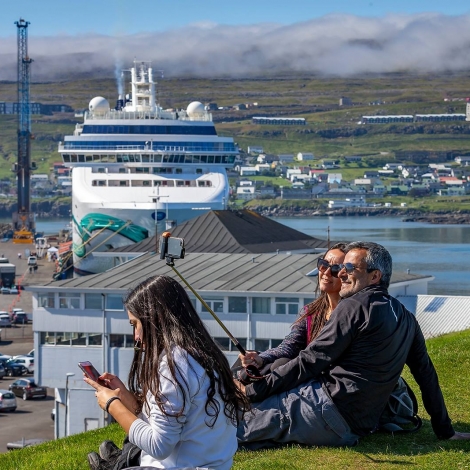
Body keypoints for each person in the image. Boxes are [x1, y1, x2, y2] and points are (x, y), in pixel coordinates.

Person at [236, 241, 470, 450]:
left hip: (325, 411)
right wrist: (445, 430)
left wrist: (254, 390)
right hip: (355, 426)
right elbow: (426, 375)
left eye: (349, 269)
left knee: (233, 424)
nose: (342, 274)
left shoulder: (354, 307)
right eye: (342, 268)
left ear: (375, 276)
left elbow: (312, 360)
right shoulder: (407, 318)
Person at [84, 274, 250, 470]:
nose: (135, 336)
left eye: (135, 324)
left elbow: (159, 445)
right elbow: (166, 421)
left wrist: (112, 405)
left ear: (155, 319)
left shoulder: (174, 365)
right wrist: (125, 397)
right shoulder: (200, 353)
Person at [239, 243, 346, 376]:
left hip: (329, 380)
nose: (326, 272)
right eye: (323, 264)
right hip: (306, 376)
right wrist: (260, 358)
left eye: (335, 269)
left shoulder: (352, 314)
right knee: (245, 368)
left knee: (280, 366)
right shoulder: (311, 312)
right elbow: (289, 347)